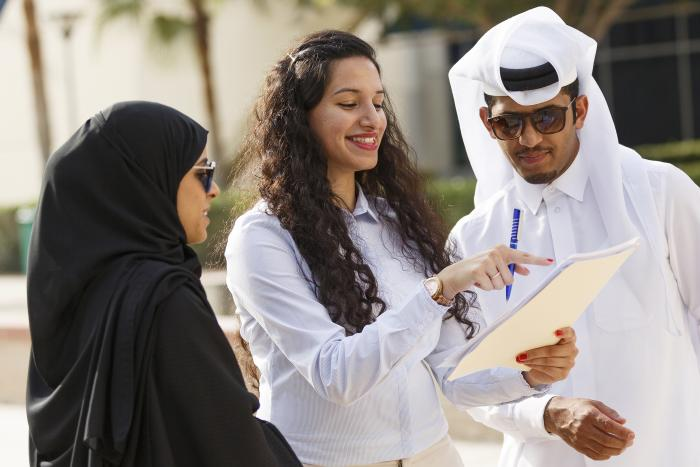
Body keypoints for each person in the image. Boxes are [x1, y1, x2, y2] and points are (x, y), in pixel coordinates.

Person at [225, 30, 579, 467]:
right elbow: (336, 375)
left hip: (432, 454)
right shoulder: (262, 237)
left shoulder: (397, 223)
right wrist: (437, 290)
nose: (372, 119)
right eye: (349, 103)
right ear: (300, 118)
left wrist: (527, 374)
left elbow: (450, 370)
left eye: (377, 102)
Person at [448, 7, 700, 467]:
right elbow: (463, 382)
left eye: (547, 118)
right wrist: (548, 413)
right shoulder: (474, 238)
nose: (528, 139)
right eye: (509, 123)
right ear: (487, 123)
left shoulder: (661, 193)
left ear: (579, 110)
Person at [26, 101, 301, 467]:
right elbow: (233, 444)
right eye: (203, 172)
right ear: (146, 181)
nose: (214, 189)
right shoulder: (163, 301)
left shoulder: (73, 307)